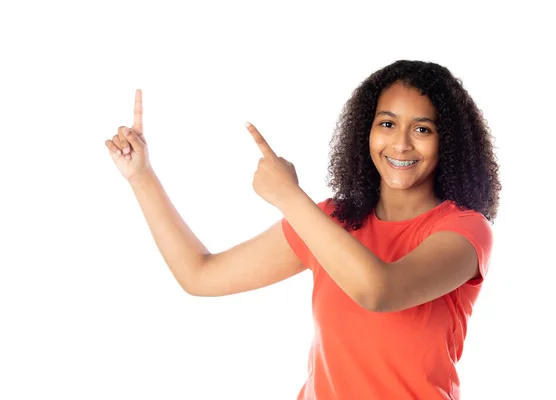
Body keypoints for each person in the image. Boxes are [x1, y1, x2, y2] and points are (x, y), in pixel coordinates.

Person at [104, 60, 501, 400]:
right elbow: (199, 274)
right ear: (367, 130)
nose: (399, 144)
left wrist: (290, 198)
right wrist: (141, 177)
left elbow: (379, 291)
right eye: (387, 123)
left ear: (447, 142)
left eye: (422, 129)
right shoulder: (331, 222)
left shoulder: (465, 230)